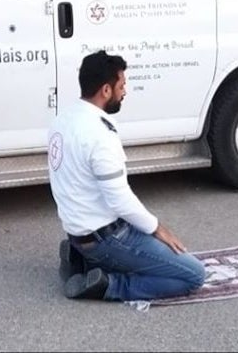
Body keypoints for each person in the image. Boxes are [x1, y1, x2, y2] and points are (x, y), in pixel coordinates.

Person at [47, 50, 205, 301]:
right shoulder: (100, 135)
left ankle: (81, 259)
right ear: (106, 90)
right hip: (106, 238)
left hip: (78, 231)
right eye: (122, 85)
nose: (125, 91)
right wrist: (158, 229)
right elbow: (119, 200)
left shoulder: (62, 120)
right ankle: (109, 284)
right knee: (193, 275)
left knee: (145, 243)